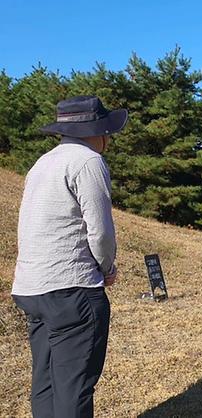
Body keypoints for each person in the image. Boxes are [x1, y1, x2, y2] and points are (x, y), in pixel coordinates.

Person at [12, 95, 126, 417]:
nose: (108, 138)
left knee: (46, 383)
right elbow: (100, 231)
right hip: (71, 289)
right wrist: (106, 268)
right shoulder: (88, 161)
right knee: (73, 389)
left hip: (32, 287)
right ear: (96, 131)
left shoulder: (42, 163)